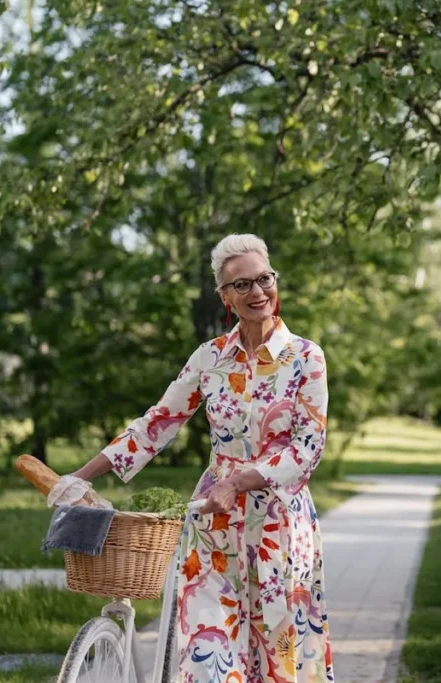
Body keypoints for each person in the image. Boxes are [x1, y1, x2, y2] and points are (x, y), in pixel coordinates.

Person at [55, 233, 334, 683]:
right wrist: (77, 477)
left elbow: (307, 449)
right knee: (208, 663)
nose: (257, 293)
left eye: (264, 279)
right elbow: (156, 424)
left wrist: (239, 482)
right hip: (213, 528)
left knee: (280, 666)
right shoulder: (210, 359)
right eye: (241, 285)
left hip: (280, 530)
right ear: (224, 296)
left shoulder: (305, 357)